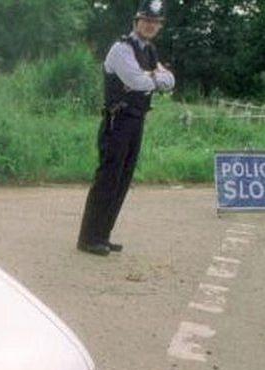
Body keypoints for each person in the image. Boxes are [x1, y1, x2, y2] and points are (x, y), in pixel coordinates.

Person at [77, 0, 175, 256]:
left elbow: (169, 81)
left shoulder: (149, 51)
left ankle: (103, 235)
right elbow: (136, 81)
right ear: (136, 22)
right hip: (117, 120)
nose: (151, 26)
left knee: (122, 179)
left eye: (155, 22)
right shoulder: (122, 49)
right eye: (146, 21)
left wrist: (150, 79)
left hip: (136, 120)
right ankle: (88, 237)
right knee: (107, 179)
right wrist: (153, 78)